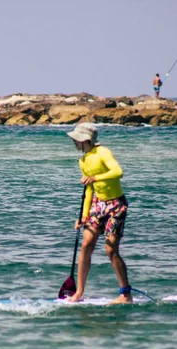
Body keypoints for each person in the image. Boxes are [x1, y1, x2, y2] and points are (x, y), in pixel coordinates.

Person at [66, 123, 132, 304]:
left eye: (75, 139)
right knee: (86, 244)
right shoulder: (84, 160)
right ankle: (79, 292)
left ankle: (125, 295)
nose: (73, 141)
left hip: (116, 205)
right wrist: (83, 216)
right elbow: (88, 191)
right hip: (98, 204)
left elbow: (118, 172)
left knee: (110, 249)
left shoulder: (103, 152)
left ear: (84, 139)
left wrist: (95, 177)